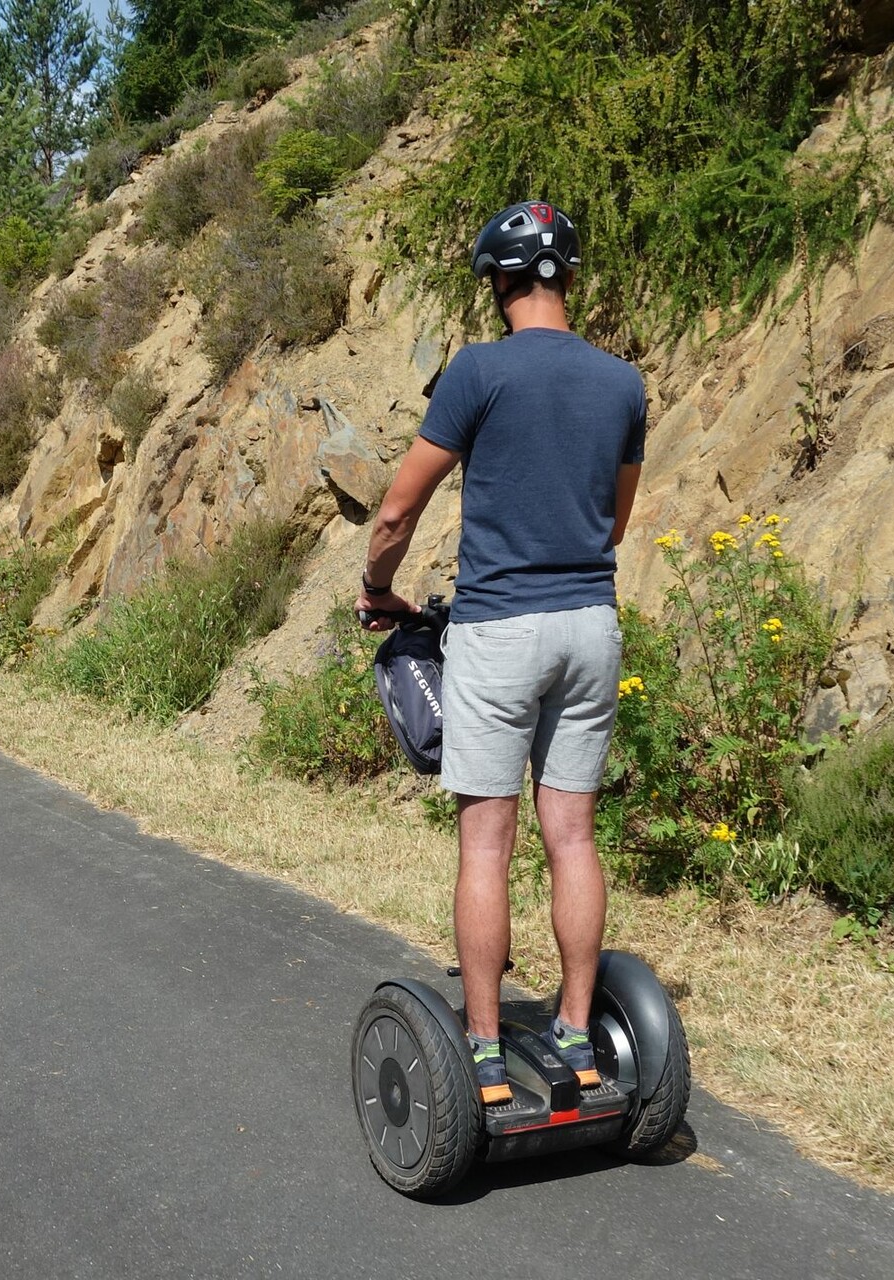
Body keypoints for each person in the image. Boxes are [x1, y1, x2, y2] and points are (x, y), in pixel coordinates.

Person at [357, 201, 645, 1106]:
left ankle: (482, 1046)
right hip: (590, 623)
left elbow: (399, 508)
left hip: (501, 627)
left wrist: (377, 586)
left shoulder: (479, 373)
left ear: (499, 283)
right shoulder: (622, 383)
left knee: (487, 839)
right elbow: (615, 520)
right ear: (566, 278)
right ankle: (571, 1027)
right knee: (572, 835)